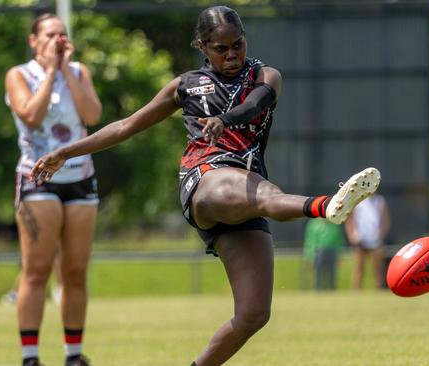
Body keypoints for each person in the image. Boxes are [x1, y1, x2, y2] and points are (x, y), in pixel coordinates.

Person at [30, 6, 380, 366]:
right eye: (220, 48)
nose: (231, 55)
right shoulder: (186, 85)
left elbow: (257, 104)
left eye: (237, 45)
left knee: (254, 314)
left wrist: (224, 119)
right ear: (202, 46)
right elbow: (126, 126)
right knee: (264, 194)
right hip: (204, 179)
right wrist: (66, 151)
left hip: (247, 187)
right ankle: (325, 206)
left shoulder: (265, 75)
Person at [4, 13, 102, 366]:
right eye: (49, 35)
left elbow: (92, 114)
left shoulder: (79, 72)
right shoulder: (20, 74)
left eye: (62, 35)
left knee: (75, 270)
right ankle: (30, 357)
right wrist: (48, 73)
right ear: (33, 40)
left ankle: (73, 355)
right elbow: (31, 114)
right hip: (37, 179)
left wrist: (66, 70)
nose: (57, 41)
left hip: (80, 178)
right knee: (37, 269)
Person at [345, 194, 391, 290]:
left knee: (378, 270)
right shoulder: (357, 200)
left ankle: (380, 293)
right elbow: (350, 220)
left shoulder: (380, 201)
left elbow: (385, 220)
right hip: (360, 240)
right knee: (359, 270)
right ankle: (355, 294)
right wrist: (352, 235)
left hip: (375, 240)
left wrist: (381, 233)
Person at [303, 219, 345, 291]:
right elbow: (309, 241)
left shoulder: (335, 222)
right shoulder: (313, 223)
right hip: (318, 252)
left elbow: (339, 241)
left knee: (332, 274)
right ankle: (318, 291)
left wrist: (339, 256)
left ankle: (332, 290)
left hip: (332, 252)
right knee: (319, 274)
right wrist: (309, 257)